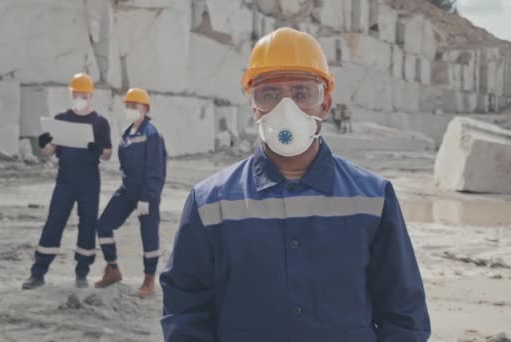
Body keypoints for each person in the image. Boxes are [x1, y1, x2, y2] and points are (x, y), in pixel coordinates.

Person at [160, 28, 430, 341]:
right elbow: (185, 310)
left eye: (302, 93)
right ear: (254, 106)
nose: (286, 108)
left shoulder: (373, 198)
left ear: (325, 105)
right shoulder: (210, 203)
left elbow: (404, 312)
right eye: (269, 94)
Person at [22, 73, 112, 290]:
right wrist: (42, 144)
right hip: (65, 178)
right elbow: (49, 151)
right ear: (71, 94)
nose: (79, 98)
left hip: (89, 179)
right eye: (75, 95)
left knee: (88, 223)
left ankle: (82, 273)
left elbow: (107, 153)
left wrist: (97, 150)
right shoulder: (61, 119)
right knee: (55, 221)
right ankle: (38, 273)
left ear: (90, 96)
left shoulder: (100, 123)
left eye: (83, 95)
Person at [95, 88, 167, 298]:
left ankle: (149, 280)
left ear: (145, 109)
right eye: (128, 106)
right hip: (127, 191)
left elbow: (156, 170)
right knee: (103, 225)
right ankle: (113, 269)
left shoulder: (151, 134)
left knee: (149, 236)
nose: (130, 110)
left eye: (134, 106)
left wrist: (148, 197)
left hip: (147, 194)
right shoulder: (127, 134)